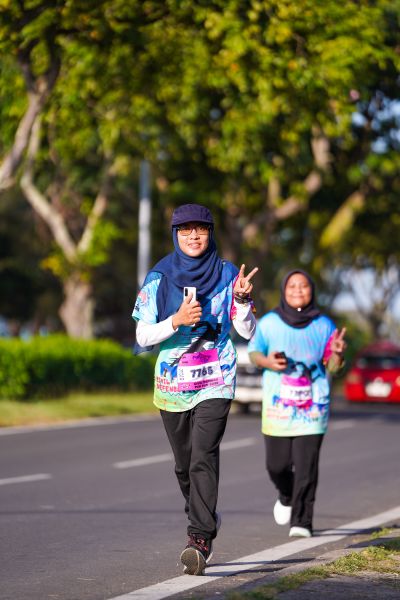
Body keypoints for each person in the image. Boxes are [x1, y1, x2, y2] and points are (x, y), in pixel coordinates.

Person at [132, 203, 258, 575]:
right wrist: (176, 320)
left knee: (204, 454)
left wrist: (243, 302)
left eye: (200, 229)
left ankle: (199, 539)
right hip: (172, 383)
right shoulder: (159, 277)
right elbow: (142, 335)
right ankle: (204, 515)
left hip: (216, 377)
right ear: (175, 234)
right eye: (185, 229)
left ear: (210, 233)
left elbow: (247, 331)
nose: (193, 235)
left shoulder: (228, 274)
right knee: (184, 465)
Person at [248, 270, 346, 538]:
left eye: (303, 286)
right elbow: (254, 352)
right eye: (292, 286)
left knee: (306, 468)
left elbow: (333, 368)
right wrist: (268, 362)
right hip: (277, 408)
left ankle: (302, 521)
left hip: (313, 408)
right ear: (284, 290)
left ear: (312, 290)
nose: (298, 290)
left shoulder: (324, 325)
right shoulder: (269, 322)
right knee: (276, 466)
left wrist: (337, 354)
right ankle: (286, 495)